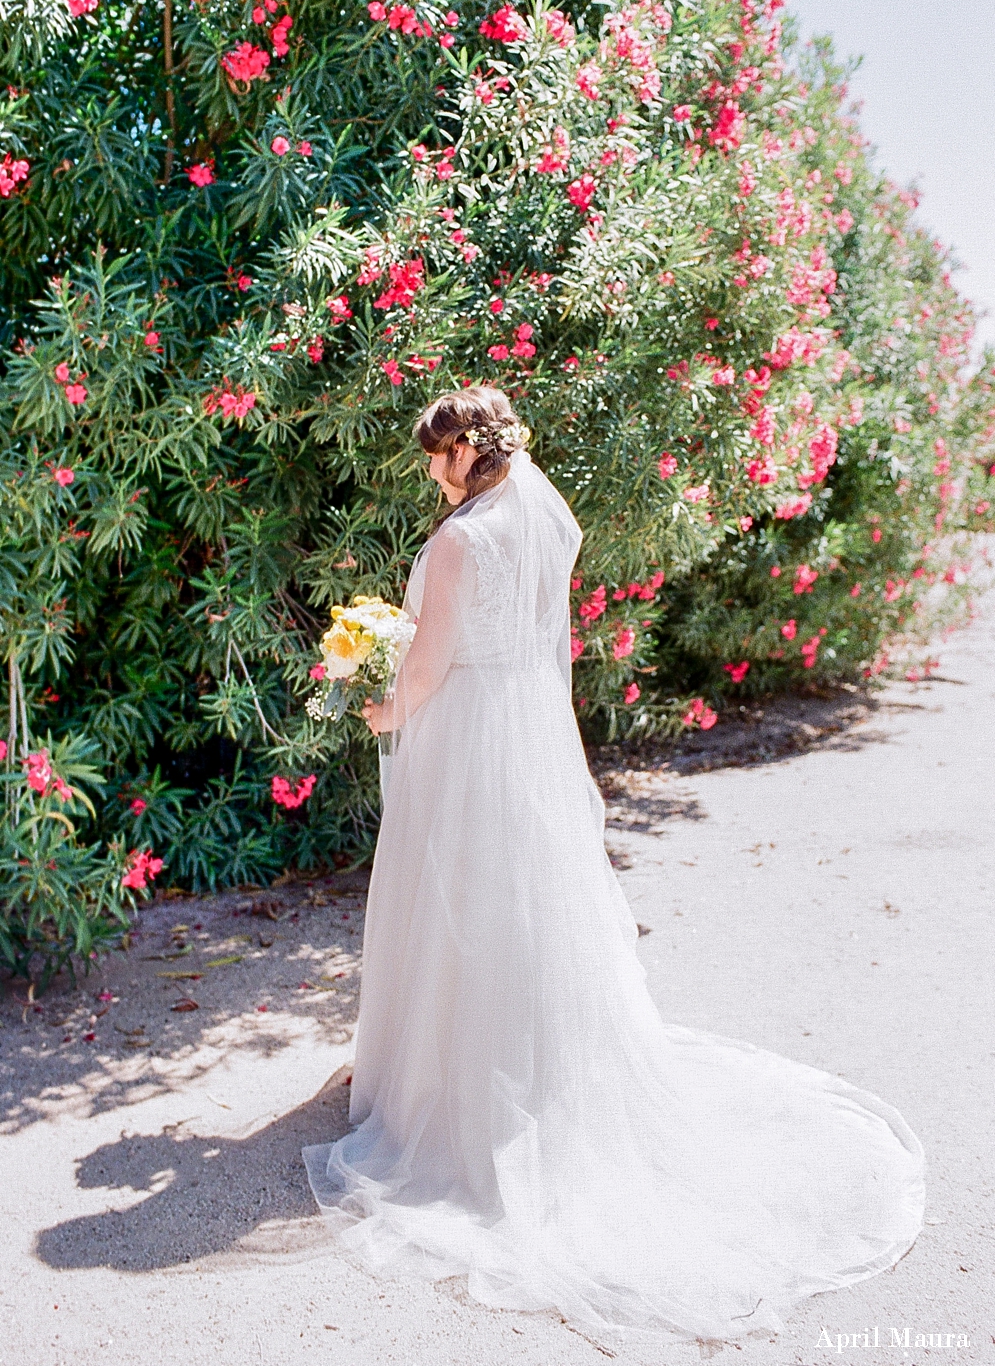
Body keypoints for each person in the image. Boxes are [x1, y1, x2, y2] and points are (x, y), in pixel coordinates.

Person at [302, 386, 925, 1350]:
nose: (430, 469)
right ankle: (526, 1068)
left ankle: (456, 1093)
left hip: (469, 737)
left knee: (460, 899)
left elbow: (429, 665)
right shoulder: (542, 518)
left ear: (468, 451)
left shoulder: (466, 540)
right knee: (520, 905)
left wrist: (382, 704)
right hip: (525, 732)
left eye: (437, 454)